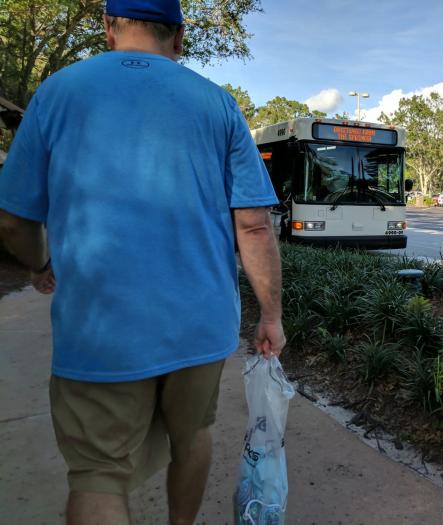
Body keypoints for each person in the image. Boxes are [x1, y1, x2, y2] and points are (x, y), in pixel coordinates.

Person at [0, 1, 285, 523]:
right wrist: (270, 315)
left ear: (108, 28)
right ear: (179, 36)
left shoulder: (57, 93)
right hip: (200, 327)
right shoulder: (219, 105)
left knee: (99, 474)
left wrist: (40, 265)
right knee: (192, 435)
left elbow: (13, 221)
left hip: (99, 327)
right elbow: (253, 226)